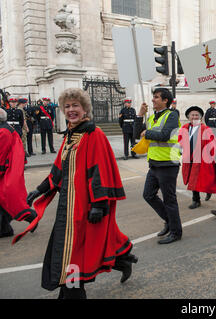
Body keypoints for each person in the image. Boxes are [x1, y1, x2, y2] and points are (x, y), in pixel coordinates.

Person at [22, 88, 137, 299]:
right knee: (75, 252)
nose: (71, 110)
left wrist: (99, 205)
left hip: (85, 208)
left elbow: (99, 171)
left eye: (76, 105)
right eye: (67, 106)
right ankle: (122, 261)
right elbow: (57, 171)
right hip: (68, 208)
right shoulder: (70, 134)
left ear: (85, 109)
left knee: (74, 255)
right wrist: (39, 190)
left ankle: (71, 294)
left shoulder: (94, 134)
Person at [136, 88, 182, 244]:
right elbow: (138, 133)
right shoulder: (152, 118)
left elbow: (165, 135)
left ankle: (176, 232)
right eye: (153, 97)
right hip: (154, 163)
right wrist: (139, 115)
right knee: (148, 195)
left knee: (170, 200)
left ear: (165, 101)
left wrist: (147, 133)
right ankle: (170, 221)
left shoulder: (172, 115)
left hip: (168, 164)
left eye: (156, 97)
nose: (153, 100)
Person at [0, 108, 37, 238]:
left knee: (9, 200)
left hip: (6, 170)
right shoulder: (4, 128)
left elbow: (1, 154)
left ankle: (31, 216)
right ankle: (4, 229)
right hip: (6, 169)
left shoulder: (3, 131)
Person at [178, 106, 216, 209]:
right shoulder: (184, 128)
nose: (194, 117)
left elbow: (212, 143)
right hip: (189, 157)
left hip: (202, 158)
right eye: (192, 115)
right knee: (192, 178)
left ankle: (196, 200)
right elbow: (180, 140)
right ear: (189, 117)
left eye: (196, 115)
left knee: (201, 178)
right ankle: (200, 196)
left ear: (200, 118)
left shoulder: (205, 129)